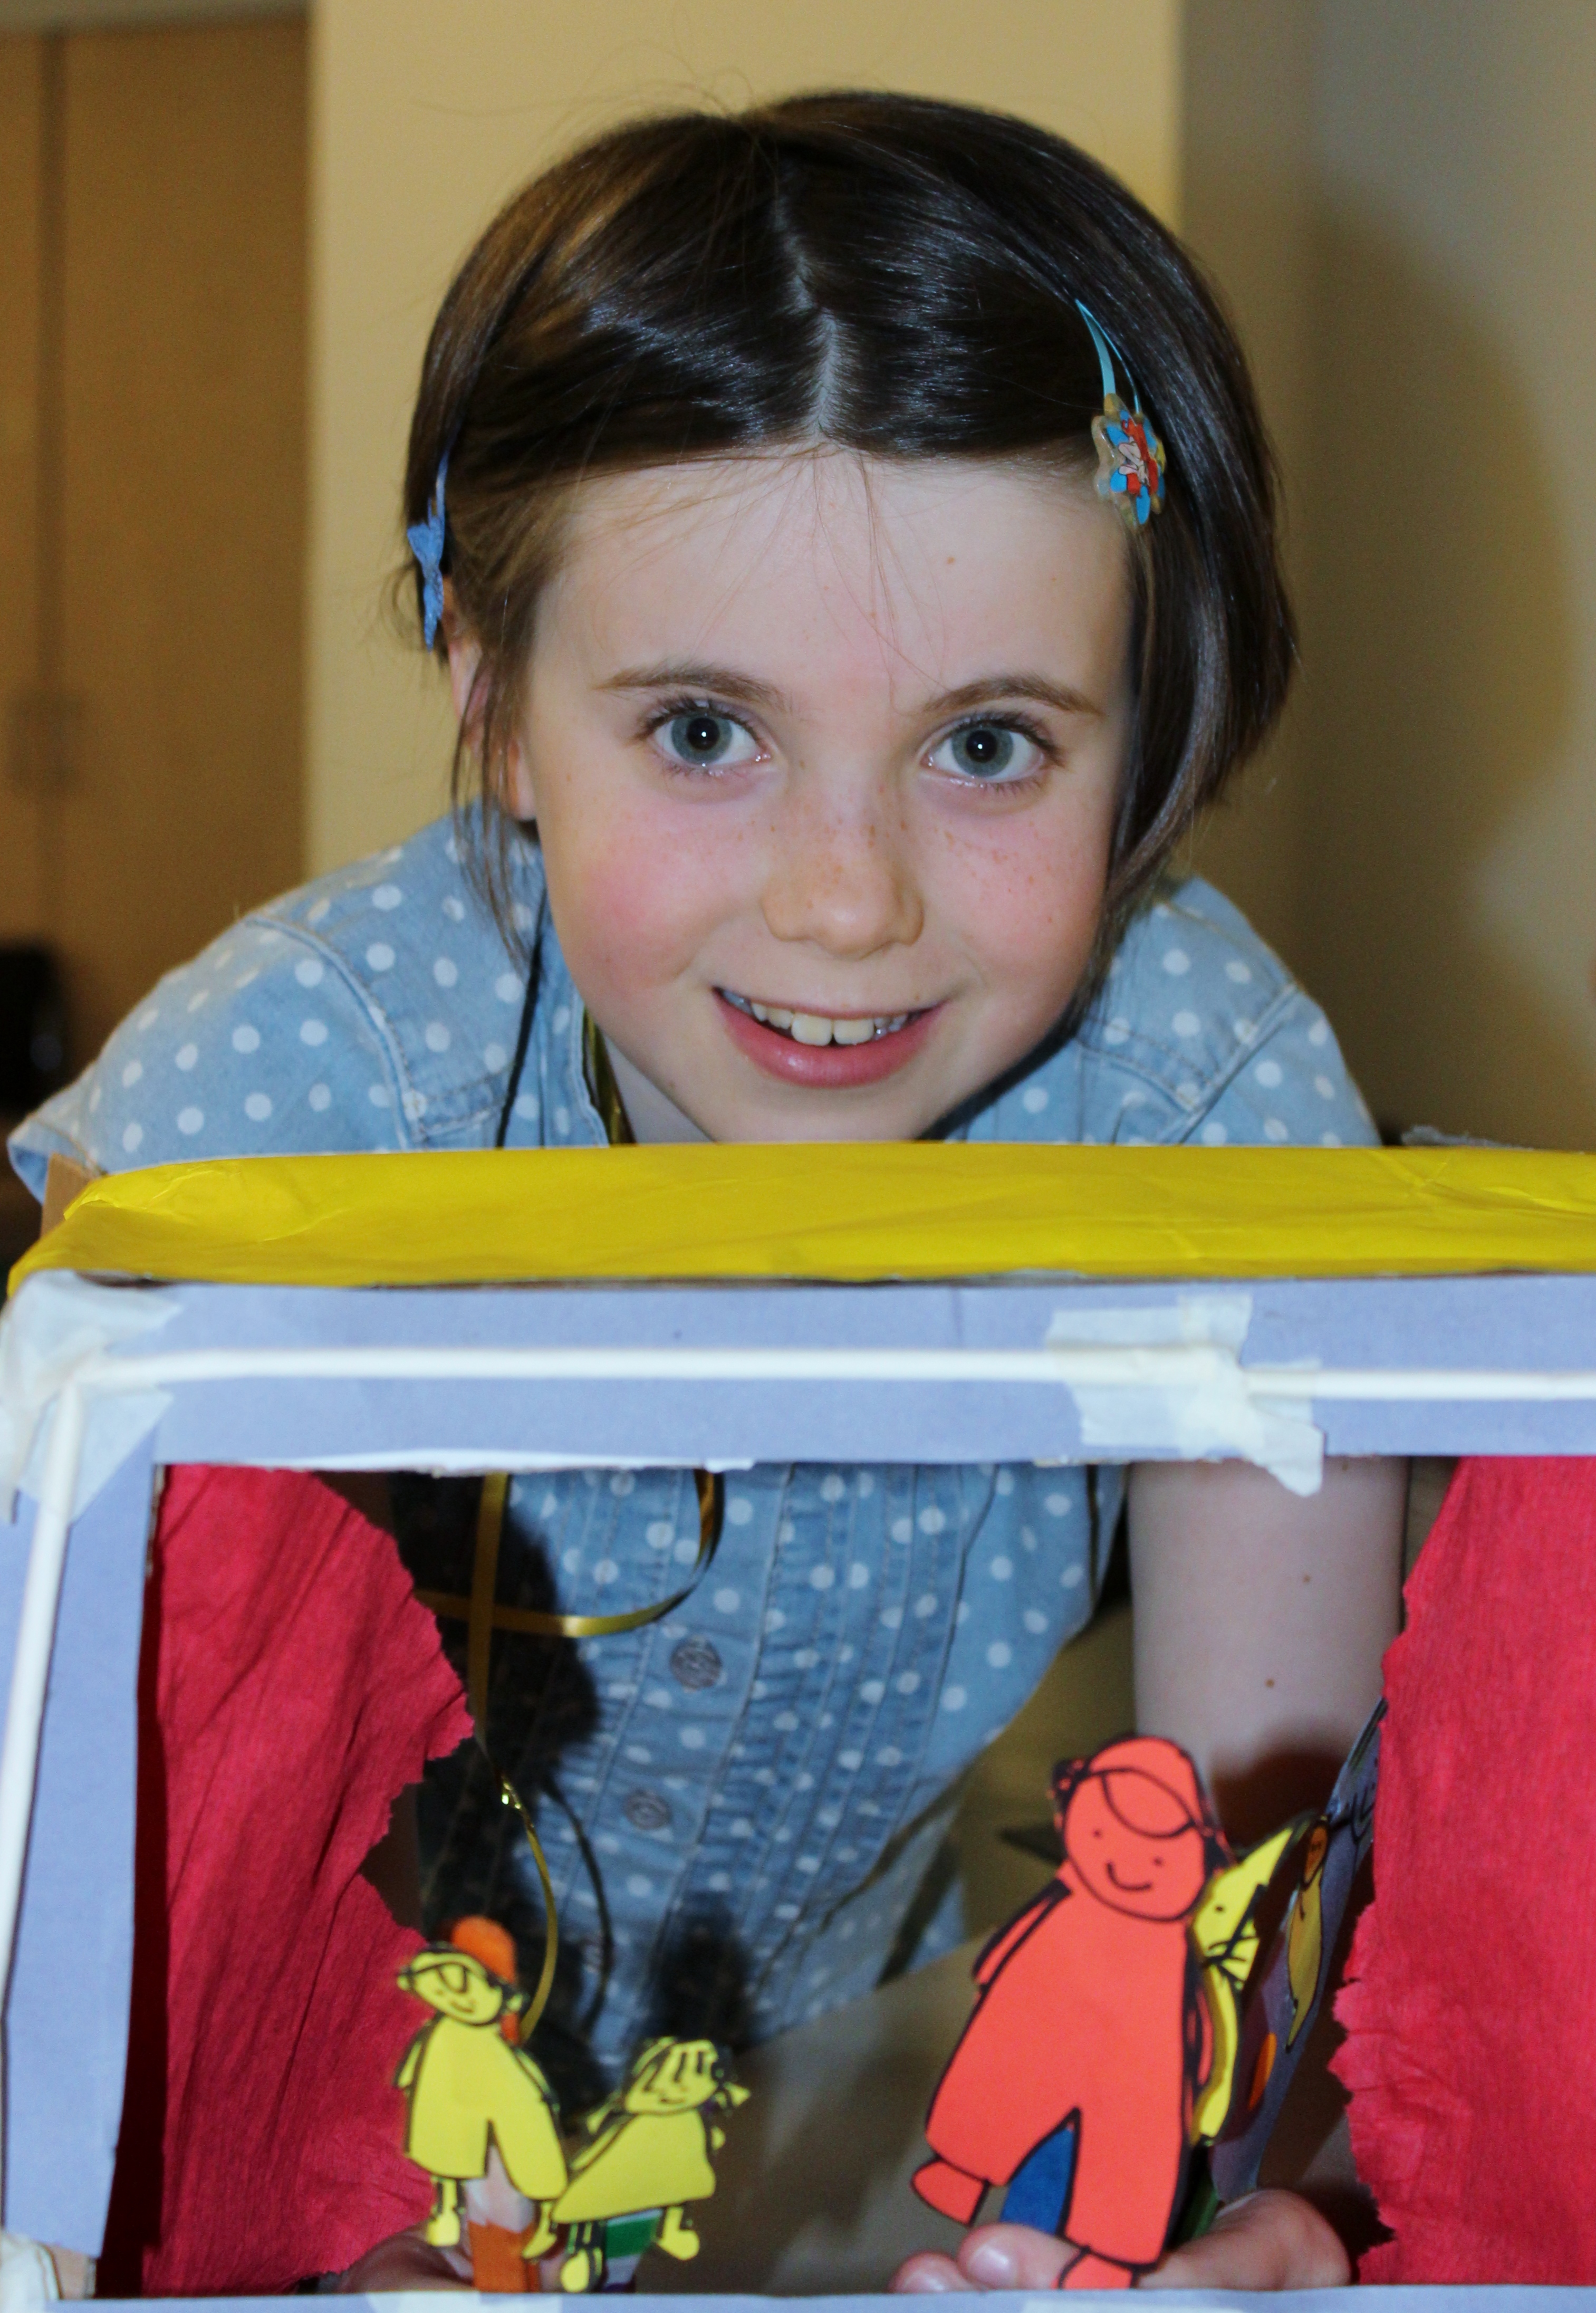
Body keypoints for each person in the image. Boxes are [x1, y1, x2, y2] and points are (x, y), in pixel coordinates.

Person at [8, 92, 1400, 2289]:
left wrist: (1257, 2218)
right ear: (491, 699)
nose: (843, 904)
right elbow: (97, 1824)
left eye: (987, 744)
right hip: (302, 2115)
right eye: (696, 730)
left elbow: (1250, 1857)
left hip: (869, 2106)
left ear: (1148, 727)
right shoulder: (294, 1092)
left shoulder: (1204, 1089)